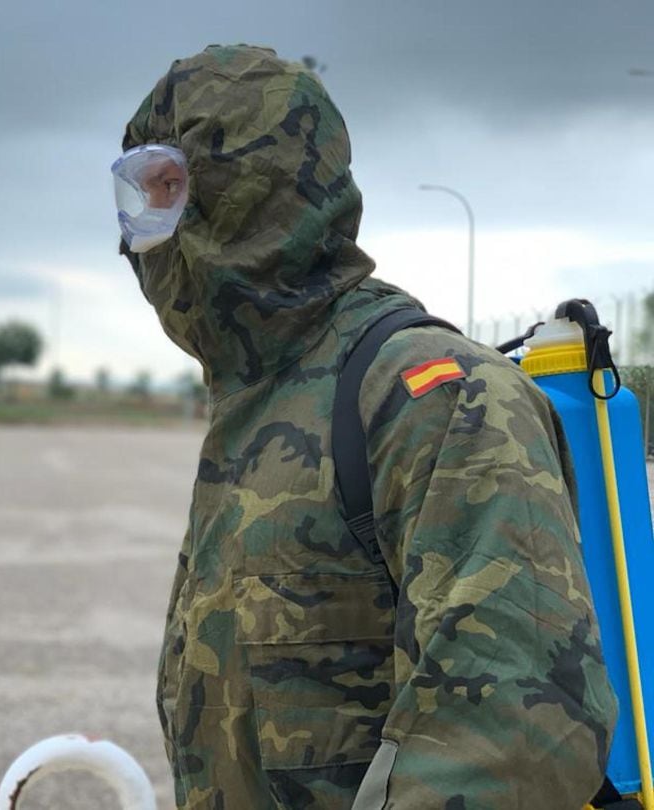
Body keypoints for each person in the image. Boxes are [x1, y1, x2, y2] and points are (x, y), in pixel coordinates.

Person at [113, 45, 618, 810]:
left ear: (253, 189)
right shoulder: (260, 407)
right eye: (139, 194)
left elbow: (512, 744)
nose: (145, 228)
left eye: (172, 189)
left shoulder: (434, 399)